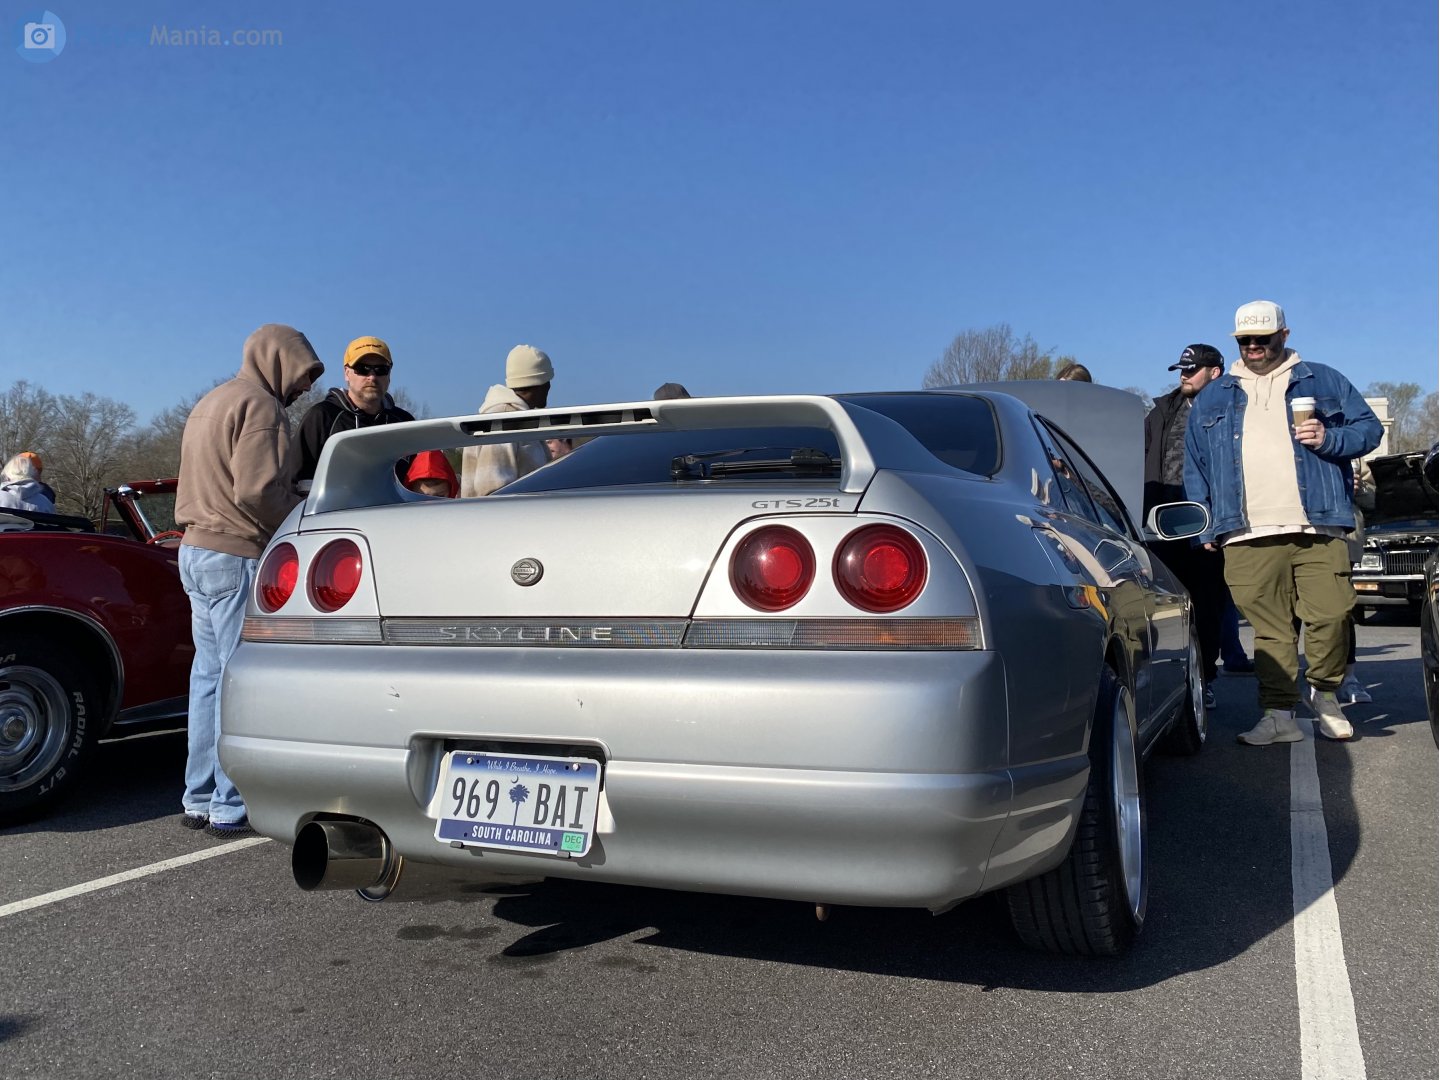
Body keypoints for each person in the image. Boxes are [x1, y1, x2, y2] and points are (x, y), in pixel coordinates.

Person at [1184, 301, 1381, 744]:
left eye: (1263, 339)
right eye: (1245, 341)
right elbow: (1194, 466)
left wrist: (1331, 439)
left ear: (1284, 335)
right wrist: (1205, 524)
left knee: (1331, 614)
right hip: (1246, 531)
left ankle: (1326, 696)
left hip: (1320, 524)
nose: (1254, 347)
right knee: (1271, 633)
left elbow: (1370, 430)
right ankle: (1278, 716)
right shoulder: (1214, 396)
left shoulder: (1323, 379)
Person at [175, 324, 323, 835]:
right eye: (304, 374)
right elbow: (258, 491)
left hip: (193, 550)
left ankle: (198, 797)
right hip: (235, 554)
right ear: (278, 362)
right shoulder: (262, 408)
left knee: (209, 679)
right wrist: (306, 510)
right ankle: (230, 804)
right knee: (237, 684)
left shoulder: (211, 400)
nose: (305, 387)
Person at [1143, 345, 1230, 709]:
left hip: (1207, 526)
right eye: (1181, 369)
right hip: (1161, 526)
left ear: (1215, 372)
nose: (1183, 376)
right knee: (1165, 611)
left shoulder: (1230, 409)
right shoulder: (1161, 411)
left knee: (1206, 606)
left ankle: (1204, 678)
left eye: (1192, 370)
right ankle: (1170, 681)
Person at [295, 336, 415, 484]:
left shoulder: (405, 422)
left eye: (381, 369)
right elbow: (300, 481)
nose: (372, 377)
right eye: (362, 369)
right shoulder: (322, 417)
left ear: (389, 374)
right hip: (337, 507)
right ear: (347, 373)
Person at [460, 344, 554, 497]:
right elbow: (493, 490)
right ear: (540, 383)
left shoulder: (514, 417)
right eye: (548, 380)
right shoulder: (503, 422)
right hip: (508, 520)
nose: (550, 386)